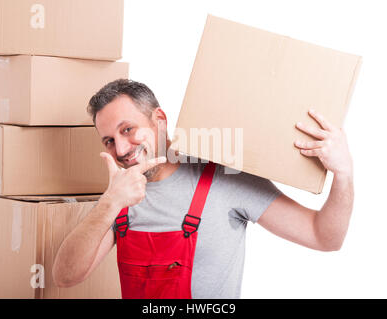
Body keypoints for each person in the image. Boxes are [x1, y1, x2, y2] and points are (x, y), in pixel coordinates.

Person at [52, 79, 354, 298]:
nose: (121, 149)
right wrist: (108, 204)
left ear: (159, 120)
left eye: (127, 130)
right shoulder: (119, 196)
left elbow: (323, 236)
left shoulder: (224, 176)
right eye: (108, 140)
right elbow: (65, 276)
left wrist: (343, 173)